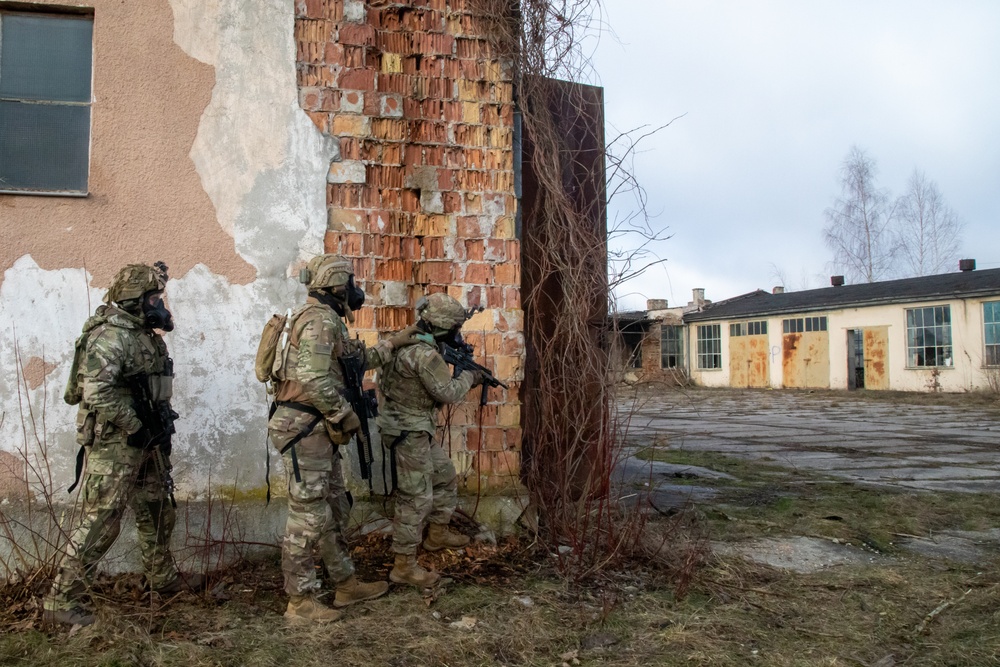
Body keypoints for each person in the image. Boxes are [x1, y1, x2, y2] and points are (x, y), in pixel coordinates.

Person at [44, 262, 200, 627]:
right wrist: (135, 426)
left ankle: (160, 579)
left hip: (149, 440)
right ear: (135, 301)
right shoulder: (110, 336)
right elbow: (97, 393)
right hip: (117, 444)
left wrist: (154, 431)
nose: (160, 305)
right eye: (153, 298)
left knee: (157, 509)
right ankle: (60, 601)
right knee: (102, 521)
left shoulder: (141, 333)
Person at [269, 254, 416, 623]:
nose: (354, 289)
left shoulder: (324, 320)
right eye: (350, 282)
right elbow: (315, 379)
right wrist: (343, 415)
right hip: (306, 431)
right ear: (338, 285)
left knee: (334, 509)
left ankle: (346, 584)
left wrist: (394, 343)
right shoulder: (320, 323)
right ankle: (300, 602)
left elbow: (354, 359)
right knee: (307, 517)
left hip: (315, 429)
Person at [377, 293, 484, 588]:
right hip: (409, 431)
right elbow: (447, 392)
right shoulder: (425, 354)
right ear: (443, 326)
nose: (457, 334)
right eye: (454, 328)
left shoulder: (407, 341)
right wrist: (470, 378)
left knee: (445, 474)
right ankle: (404, 566)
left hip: (410, 427)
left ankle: (437, 535)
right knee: (415, 499)